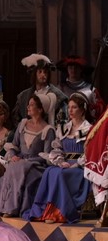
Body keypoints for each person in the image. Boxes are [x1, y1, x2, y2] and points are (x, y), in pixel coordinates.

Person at [23, 94, 93, 223]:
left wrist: (76, 164)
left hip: (80, 168)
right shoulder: (64, 128)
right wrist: (60, 161)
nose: (70, 110)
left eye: (74, 107)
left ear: (82, 110)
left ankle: (58, 213)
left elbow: (90, 153)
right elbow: (57, 148)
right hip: (65, 165)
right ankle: (45, 211)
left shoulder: (89, 129)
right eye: (69, 107)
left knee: (59, 174)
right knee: (50, 171)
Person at [0, 94, 56, 217]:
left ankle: (12, 209)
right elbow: (14, 145)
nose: (28, 107)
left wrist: (27, 161)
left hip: (36, 166)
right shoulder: (23, 124)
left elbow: (46, 156)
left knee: (22, 171)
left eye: (32, 105)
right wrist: (13, 156)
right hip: (19, 162)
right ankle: (3, 207)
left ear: (40, 109)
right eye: (28, 104)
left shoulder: (48, 130)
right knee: (10, 171)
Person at [12, 54, 67, 128]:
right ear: (35, 74)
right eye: (40, 72)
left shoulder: (58, 96)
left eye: (45, 72)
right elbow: (16, 118)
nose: (43, 75)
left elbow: (63, 120)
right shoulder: (23, 96)